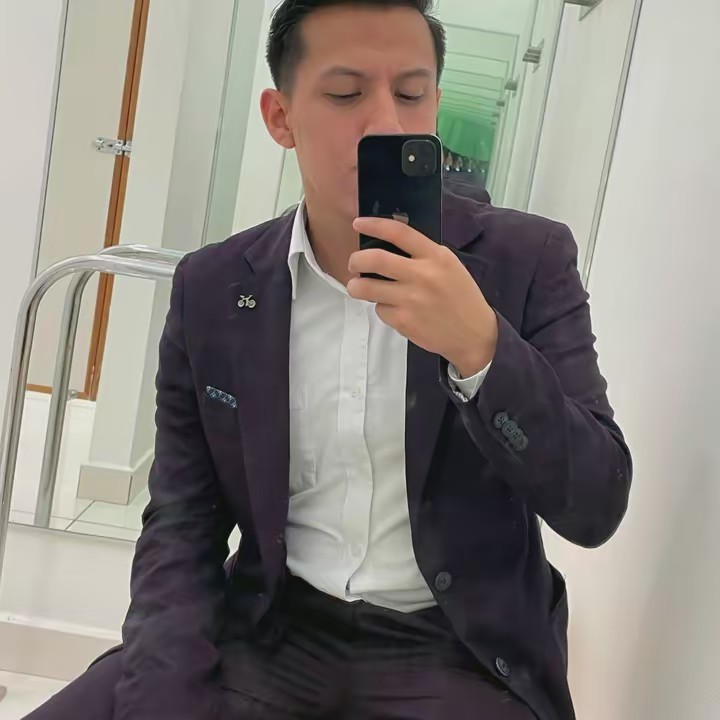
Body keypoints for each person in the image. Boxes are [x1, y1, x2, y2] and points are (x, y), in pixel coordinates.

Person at [26, 1, 632, 719]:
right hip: (271, 630)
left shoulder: (525, 261)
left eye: (411, 94)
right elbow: (182, 523)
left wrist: (481, 349)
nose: (387, 123)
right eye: (346, 94)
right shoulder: (212, 288)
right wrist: (164, 696)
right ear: (280, 117)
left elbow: (595, 505)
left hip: (456, 652)